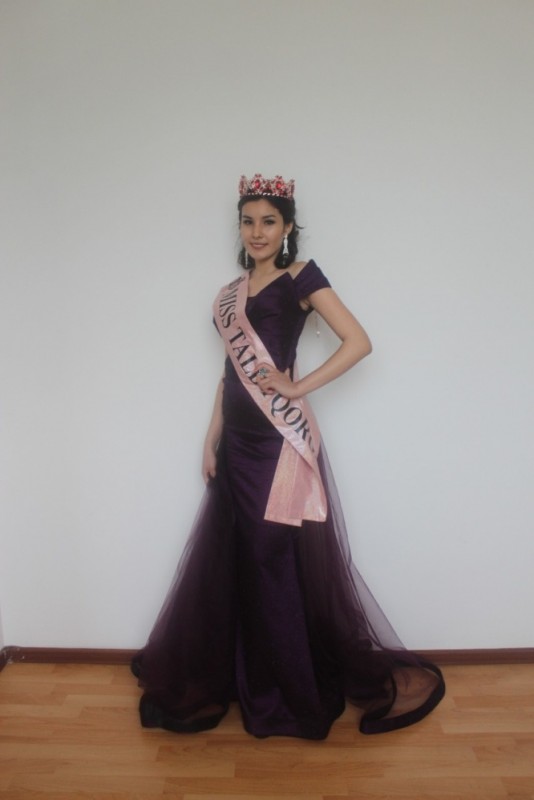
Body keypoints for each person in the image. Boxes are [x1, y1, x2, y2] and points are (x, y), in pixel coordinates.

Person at [132, 173, 445, 739]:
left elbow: (359, 342)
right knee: (240, 561)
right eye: (248, 221)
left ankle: (288, 692)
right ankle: (248, 676)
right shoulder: (229, 294)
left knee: (269, 559)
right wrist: (210, 437)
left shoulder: (301, 277)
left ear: (288, 227)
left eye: (269, 222)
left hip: (280, 445)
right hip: (237, 444)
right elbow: (230, 374)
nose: (257, 232)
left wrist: (298, 388)